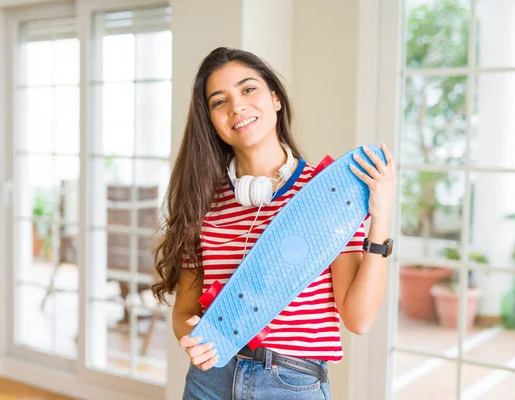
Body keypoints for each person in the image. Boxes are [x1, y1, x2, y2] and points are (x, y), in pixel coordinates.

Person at [152, 47, 396, 400]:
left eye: (248, 89)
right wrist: (191, 333)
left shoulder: (327, 195)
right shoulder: (203, 202)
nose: (236, 107)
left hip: (291, 384)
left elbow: (358, 319)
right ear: (211, 120)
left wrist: (382, 214)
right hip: (210, 382)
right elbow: (185, 312)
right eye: (220, 101)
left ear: (276, 98)